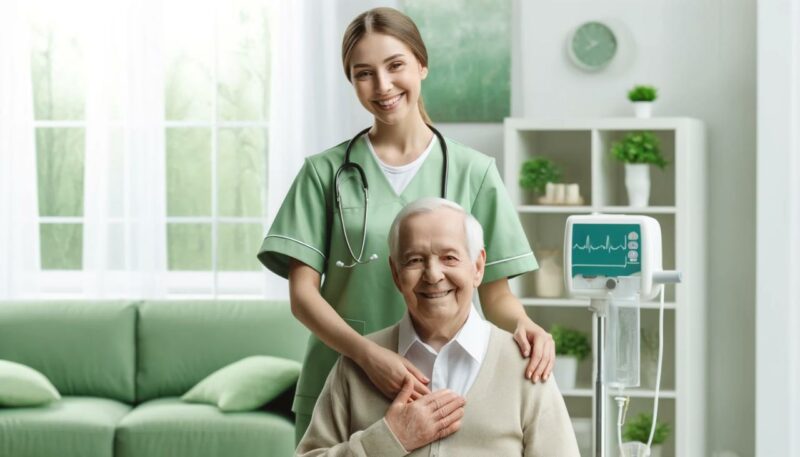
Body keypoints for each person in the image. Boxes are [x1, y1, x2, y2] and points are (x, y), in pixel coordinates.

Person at [257, 7, 555, 442]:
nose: (383, 86)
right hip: (340, 382)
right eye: (364, 73)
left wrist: (525, 324)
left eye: (395, 65)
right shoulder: (324, 174)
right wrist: (367, 356)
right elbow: (303, 296)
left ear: (421, 64)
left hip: (439, 385)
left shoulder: (473, 173)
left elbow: (495, 294)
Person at [296, 198, 580, 456]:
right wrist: (388, 439)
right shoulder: (355, 368)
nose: (433, 275)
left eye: (449, 258)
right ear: (396, 274)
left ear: (478, 267)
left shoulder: (525, 367)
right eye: (415, 260)